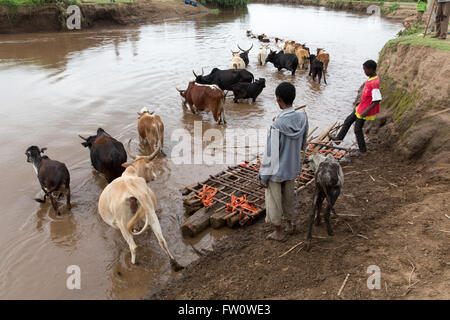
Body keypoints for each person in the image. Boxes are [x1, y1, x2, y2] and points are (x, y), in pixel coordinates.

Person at [259, 82, 308, 241]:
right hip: (292, 167)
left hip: (276, 172)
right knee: (289, 197)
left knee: (274, 201)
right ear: (293, 98)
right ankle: (291, 224)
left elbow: (270, 155)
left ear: (278, 99)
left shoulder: (276, 125)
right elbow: (302, 143)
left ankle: (278, 232)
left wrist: (263, 176)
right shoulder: (302, 118)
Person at [329, 60, 382, 155]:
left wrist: (366, 110)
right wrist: (360, 101)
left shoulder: (374, 82)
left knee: (357, 129)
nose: (364, 71)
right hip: (361, 106)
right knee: (348, 120)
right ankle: (338, 139)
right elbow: (368, 94)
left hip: (365, 110)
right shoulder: (371, 78)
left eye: (365, 70)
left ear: (371, 69)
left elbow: (377, 100)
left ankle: (363, 150)